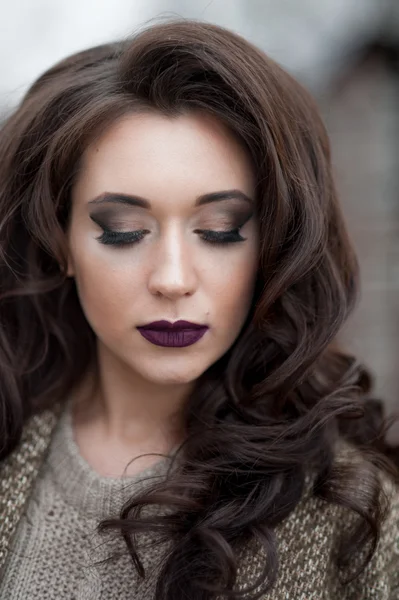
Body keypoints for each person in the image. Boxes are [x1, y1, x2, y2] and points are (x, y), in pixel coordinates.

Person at [0, 19, 397, 600]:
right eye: (123, 231)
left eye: (220, 231)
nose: (173, 279)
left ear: (272, 246)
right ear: (60, 242)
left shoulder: (350, 511)